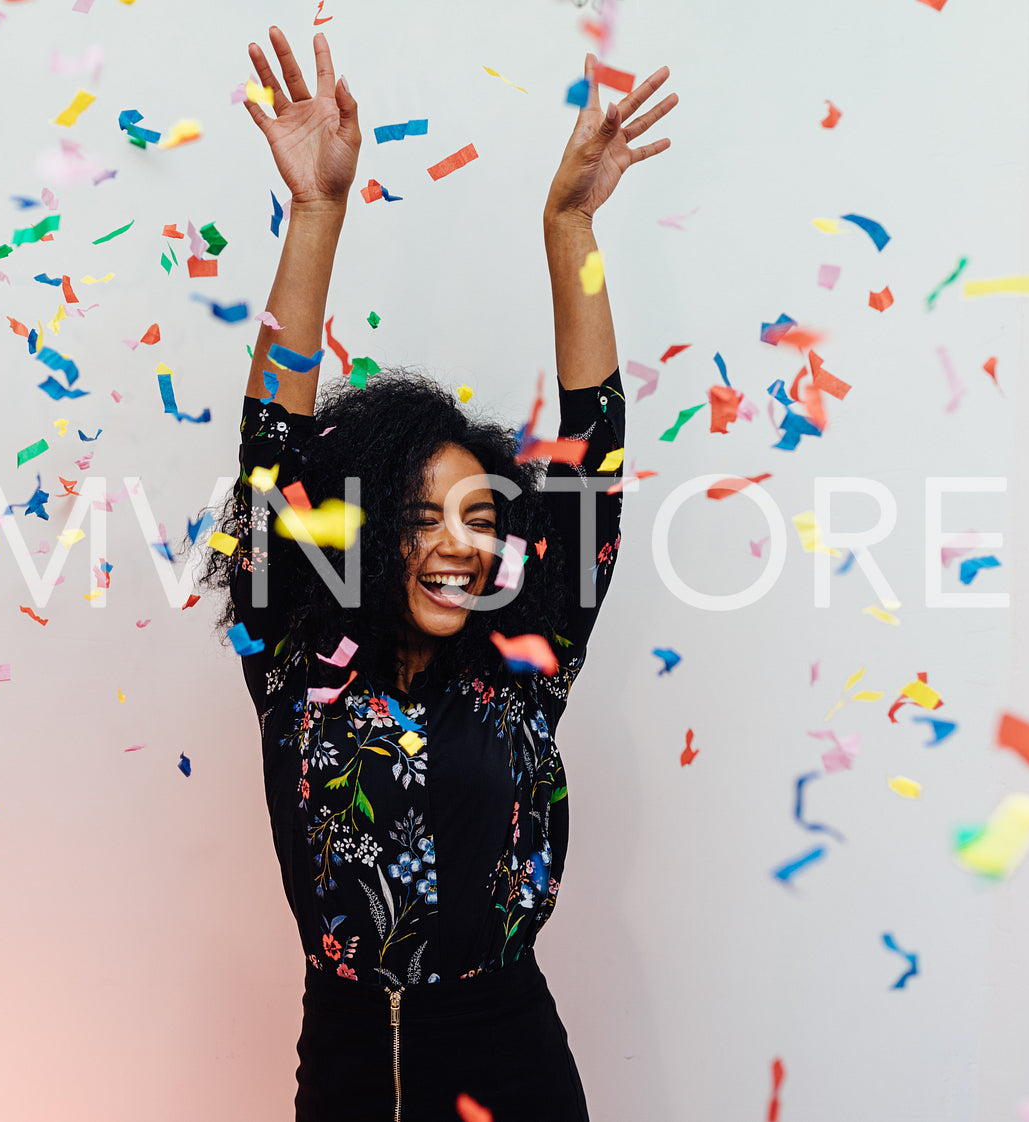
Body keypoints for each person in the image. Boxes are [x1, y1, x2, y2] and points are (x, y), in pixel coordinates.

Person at [201, 26, 675, 1122]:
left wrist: (569, 229)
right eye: (420, 519)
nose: (456, 543)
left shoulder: (525, 667)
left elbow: (591, 456)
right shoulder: (293, 664)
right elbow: (272, 445)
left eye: (477, 517)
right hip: (349, 1064)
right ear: (363, 536)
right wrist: (316, 214)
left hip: (511, 1062)